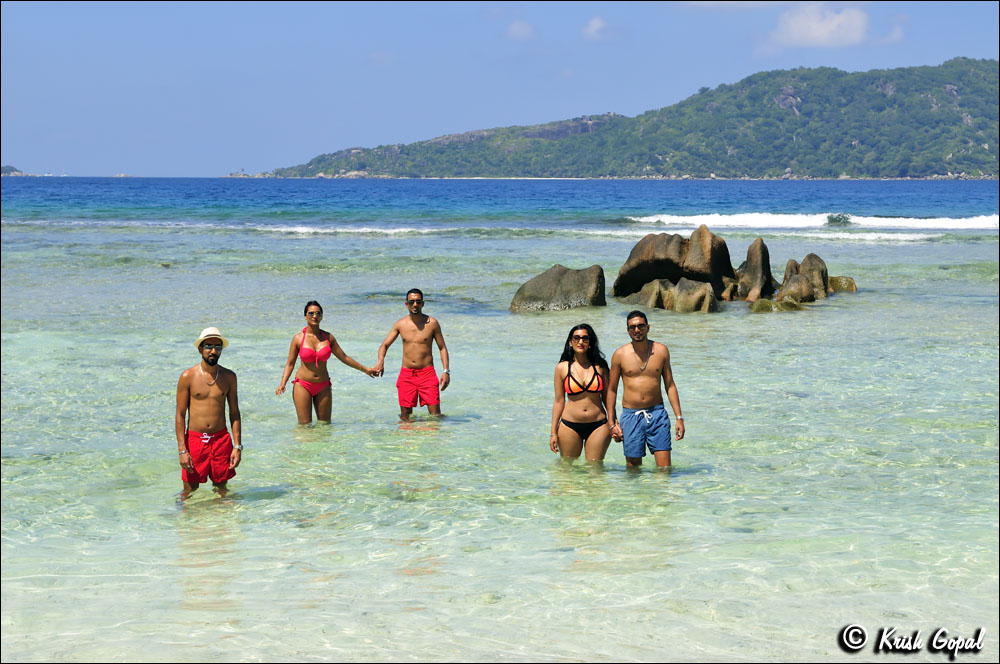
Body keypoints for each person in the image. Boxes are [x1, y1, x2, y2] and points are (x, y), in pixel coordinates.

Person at [276, 301, 379, 424]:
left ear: (322, 317)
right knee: (305, 426)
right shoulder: (298, 338)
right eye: (311, 313)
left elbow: (344, 357)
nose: (315, 316)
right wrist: (283, 383)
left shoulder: (328, 337)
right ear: (305, 316)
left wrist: (365, 369)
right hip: (303, 385)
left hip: (323, 386)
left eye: (318, 313)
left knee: (325, 426)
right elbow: (290, 363)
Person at [605, 311, 685, 468]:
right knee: (633, 470)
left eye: (641, 326)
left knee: (664, 469)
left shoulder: (661, 351)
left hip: (657, 414)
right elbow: (612, 389)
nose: (637, 330)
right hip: (631, 416)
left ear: (648, 327)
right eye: (632, 327)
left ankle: (662, 493)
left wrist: (679, 418)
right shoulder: (619, 355)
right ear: (628, 330)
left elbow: (670, 384)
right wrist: (611, 422)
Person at [175, 327, 242, 496]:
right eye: (208, 347)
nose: (213, 351)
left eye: (217, 347)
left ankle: (221, 522)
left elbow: (234, 413)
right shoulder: (187, 376)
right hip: (195, 441)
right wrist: (182, 450)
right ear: (200, 349)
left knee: (221, 490)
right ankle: (184, 522)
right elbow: (180, 415)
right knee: (189, 491)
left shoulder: (229, 377)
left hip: (221, 440)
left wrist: (237, 446)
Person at [374, 288, 450, 420]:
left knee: (436, 417)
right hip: (407, 375)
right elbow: (384, 345)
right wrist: (380, 361)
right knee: (405, 418)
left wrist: (446, 371)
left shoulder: (432, 323)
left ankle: (434, 440)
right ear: (406, 304)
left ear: (423, 304)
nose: (415, 304)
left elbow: (442, 347)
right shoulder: (400, 324)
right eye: (412, 301)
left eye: (418, 301)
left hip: (427, 374)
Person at [550, 323, 612, 461]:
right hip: (569, 425)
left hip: (599, 425)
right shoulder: (562, 368)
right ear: (570, 341)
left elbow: (608, 398)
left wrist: (613, 422)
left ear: (590, 342)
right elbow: (559, 401)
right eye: (576, 338)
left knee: (595, 470)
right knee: (567, 470)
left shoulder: (600, 367)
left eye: (585, 338)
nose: (580, 342)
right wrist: (553, 432)